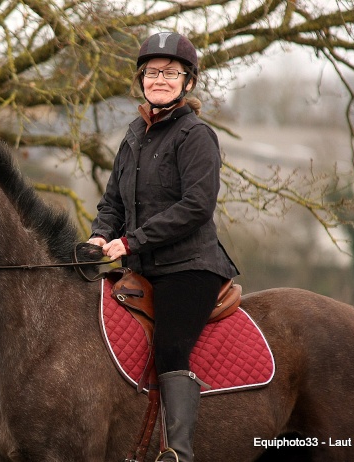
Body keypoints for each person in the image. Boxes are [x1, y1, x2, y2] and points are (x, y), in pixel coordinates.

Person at [88, 31, 239, 462]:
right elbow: (114, 200)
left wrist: (131, 241)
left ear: (187, 82)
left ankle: (179, 451)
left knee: (170, 344)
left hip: (189, 266)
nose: (160, 79)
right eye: (152, 72)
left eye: (170, 73)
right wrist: (101, 234)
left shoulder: (196, 136)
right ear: (141, 80)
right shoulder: (134, 134)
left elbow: (196, 206)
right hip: (143, 266)